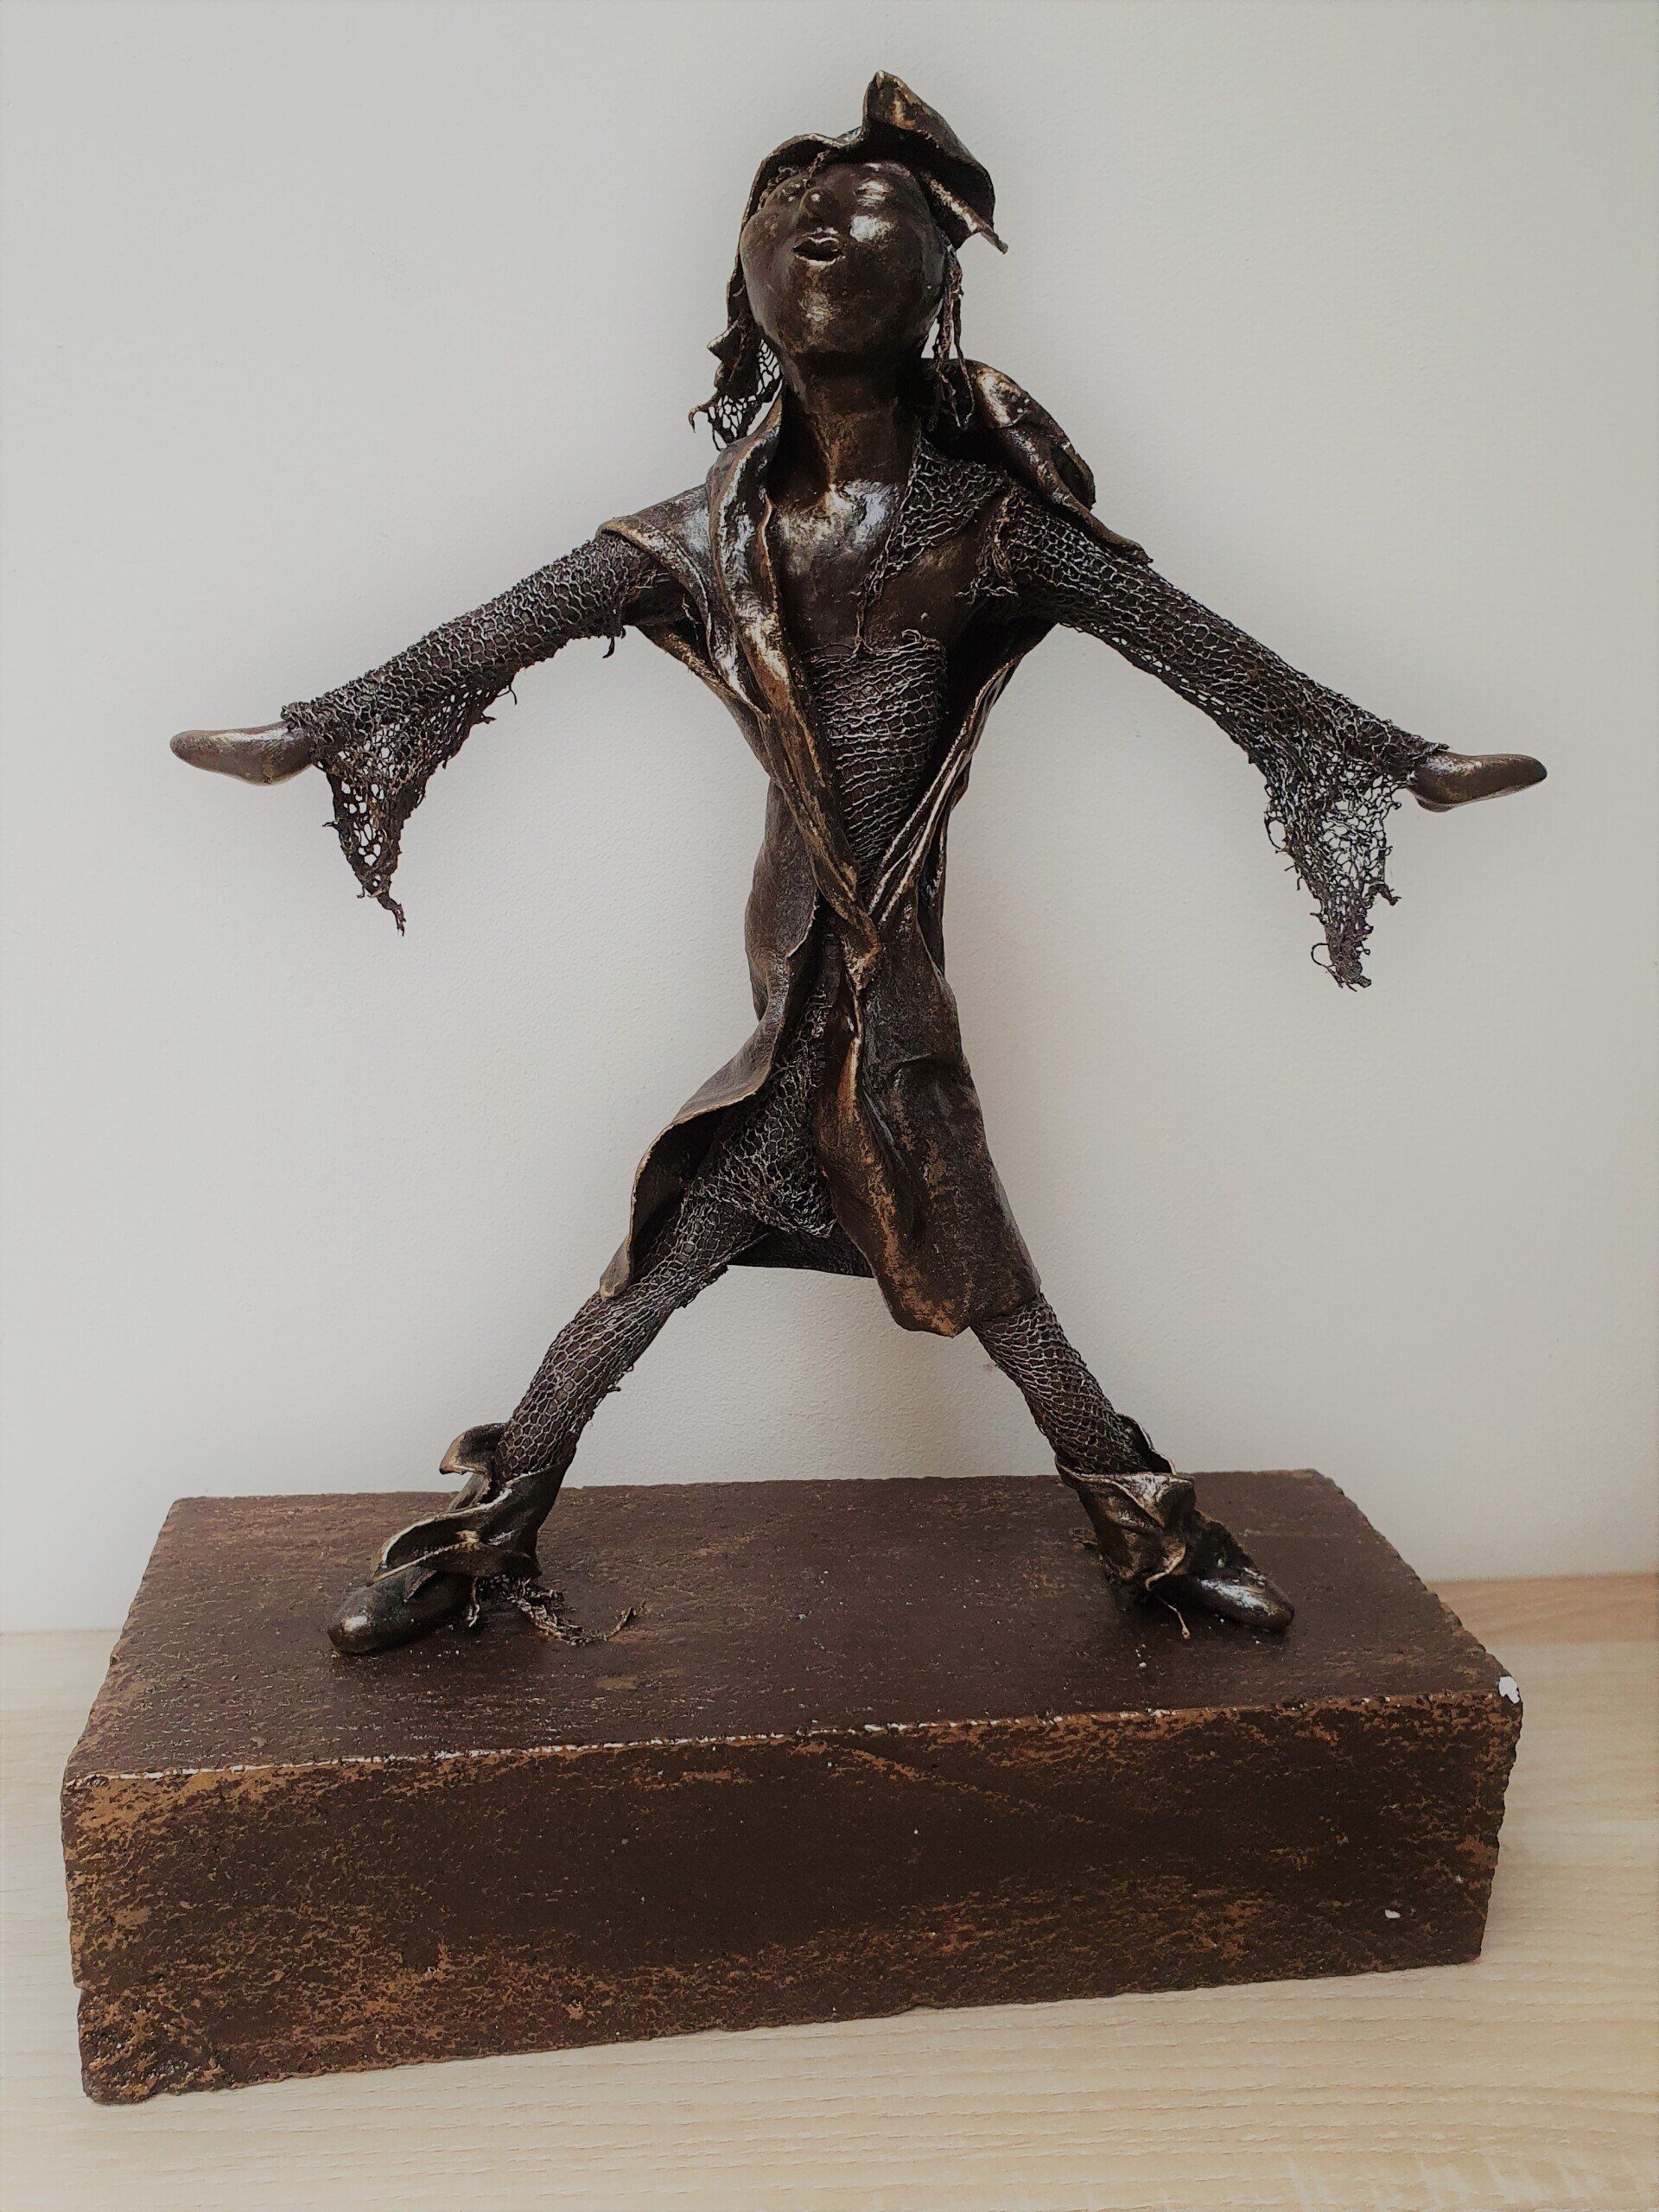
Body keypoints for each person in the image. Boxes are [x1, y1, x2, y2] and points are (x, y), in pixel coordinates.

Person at [174, 76, 1545, 1656]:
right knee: (864, 1258)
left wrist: (1393, 759)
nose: (819, 229)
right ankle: (1129, 1526)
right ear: (744, 291)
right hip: (810, 963)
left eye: (867, 210)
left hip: (889, 976)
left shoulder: (988, 527)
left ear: (939, 282)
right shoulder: (700, 538)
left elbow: (1210, 654)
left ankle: (503, 1529)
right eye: (786, 213)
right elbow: (492, 632)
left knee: (802, 1259)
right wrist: (318, 730)